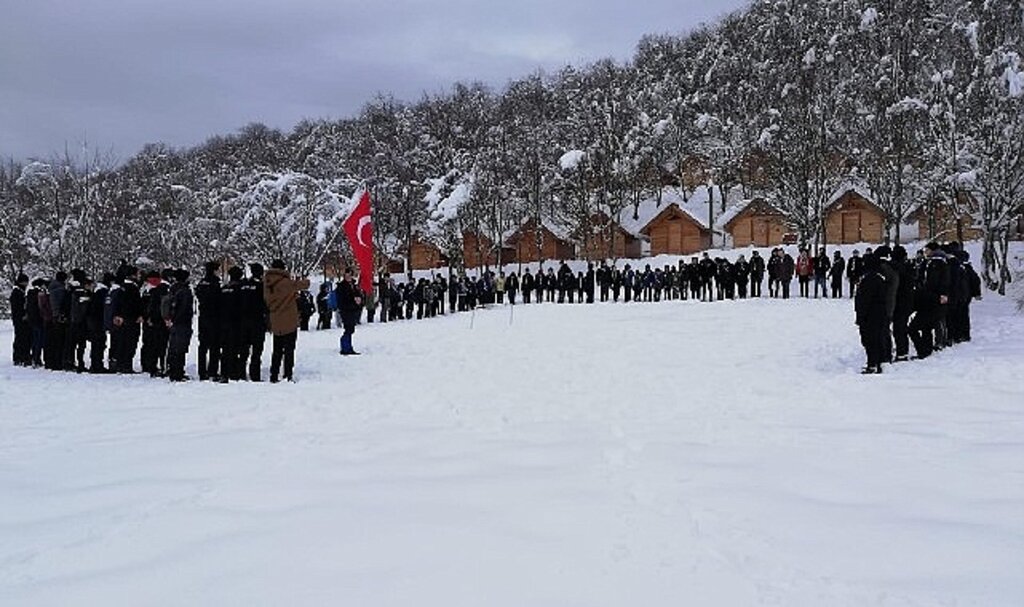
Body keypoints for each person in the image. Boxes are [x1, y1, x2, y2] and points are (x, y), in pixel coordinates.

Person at [263, 259, 310, 383]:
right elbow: (303, 285)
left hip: (275, 320)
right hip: (289, 320)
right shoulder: (286, 283)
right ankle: (287, 374)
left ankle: (274, 374)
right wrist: (305, 280)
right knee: (289, 350)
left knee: (277, 350)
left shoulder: (266, 283)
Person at [908, 242, 949, 360]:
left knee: (915, 327)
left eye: (927, 250)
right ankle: (926, 350)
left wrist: (942, 294)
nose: (925, 252)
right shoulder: (927, 263)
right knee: (925, 327)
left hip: (931, 299)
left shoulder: (938, 263)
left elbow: (940, 281)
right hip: (925, 298)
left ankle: (924, 350)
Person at [855, 253, 888, 374]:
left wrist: (860, 316)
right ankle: (879, 362)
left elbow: (865, 300)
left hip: (870, 315)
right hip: (878, 313)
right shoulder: (878, 277)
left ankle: (872, 364)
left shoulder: (870, 279)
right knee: (876, 339)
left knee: (870, 340)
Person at [110, 265, 144, 374]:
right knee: (130, 343)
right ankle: (126, 365)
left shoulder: (121, 288)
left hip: (123, 319)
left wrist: (117, 314)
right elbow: (134, 304)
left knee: (122, 342)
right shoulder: (132, 289)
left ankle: (120, 364)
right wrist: (139, 315)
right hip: (131, 319)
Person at [163, 269, 194, 382]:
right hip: (182, 322)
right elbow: (184, 308)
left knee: (173, 347)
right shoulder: (185, 291)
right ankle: (178, 373)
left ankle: (172, 369)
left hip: (173, 321)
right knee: (180, 348)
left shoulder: (172, 289)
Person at [194, 261, 222, 381]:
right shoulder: (215, 283)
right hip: (214, 317)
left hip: (203, 316)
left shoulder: (201, 283)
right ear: (214, 270)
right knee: (214, 345)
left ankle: (202, 371)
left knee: (203, 345)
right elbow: (218, 300)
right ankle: (212, 371)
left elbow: (198, 294)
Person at [240, 263, 268, 381]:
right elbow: (265, 304)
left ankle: (241, 373)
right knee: (257, 351)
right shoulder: (262, 286)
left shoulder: (243, 285)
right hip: (257, 322)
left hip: (243, 321)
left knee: (243, 349)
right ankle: (255, 374)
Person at [140, 270, 170, 377]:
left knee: (151, 344)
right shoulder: (150, 290)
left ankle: (150, 365)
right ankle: (155, 365)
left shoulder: (147, 290)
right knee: (157, 345)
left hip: (152, 320)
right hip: (157, 321)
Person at [218, 266, 245, 382]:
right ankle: (234, 371)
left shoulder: (224, 289)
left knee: (225, 348)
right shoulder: (240, 289)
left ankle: (224, 371)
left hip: (223, 322)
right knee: (235, 348)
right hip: (237, 322)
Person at [891, 245, 915, 362]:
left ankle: (902, 352)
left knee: (898, 328)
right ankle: (903, 351)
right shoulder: (909, 267)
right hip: (907, 301)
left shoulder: (896, 268)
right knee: (902, 327)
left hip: (898, 301)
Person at [87, 273, 112, 373]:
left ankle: (95, 364)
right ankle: (97, 365)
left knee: (96, 344)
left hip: (94, 321)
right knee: (99, 343)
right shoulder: (103, 292)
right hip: (98, 321)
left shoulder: (97, 291)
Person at [335, 268, 363, 356]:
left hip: (353, 309)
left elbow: (358, 294)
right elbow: (342, 299)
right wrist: (353, 300)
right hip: (346, 310)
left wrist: (359, 299)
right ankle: (345, 347)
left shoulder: (354, 285)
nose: (349, 277)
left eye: (350, 275)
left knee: (351, 329)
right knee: (348, 329)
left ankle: (348, 346)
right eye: (347, 275)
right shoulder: (342, 286)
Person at [9, 273, 30, 366]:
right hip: (20, 319)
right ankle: (20, 356)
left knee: (20, 337)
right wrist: (23, 315)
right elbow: (17, 307)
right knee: (21, 337)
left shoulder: (18, 292)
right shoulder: (17, 293)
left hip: (18, 318)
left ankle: (19, 356)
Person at [27, 278, 47, 367]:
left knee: (35, 340)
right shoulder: (39, 294)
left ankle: (34, 357)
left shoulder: (30, 294)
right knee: (40, 340)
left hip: (32, 320)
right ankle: (37, 358)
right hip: (39, 320)